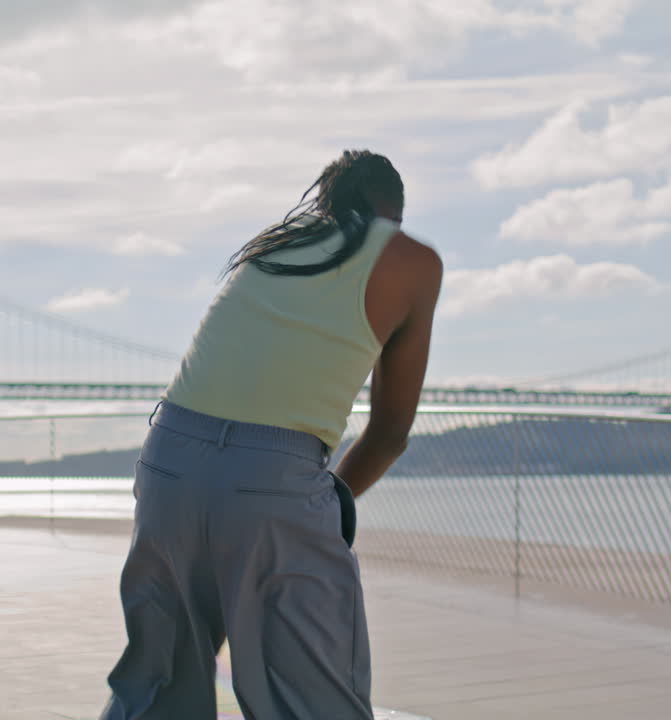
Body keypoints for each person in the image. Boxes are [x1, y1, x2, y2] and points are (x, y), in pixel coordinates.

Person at [100, 149, 443, 719]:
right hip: (272, 479)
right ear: (394, 213)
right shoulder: (412, 260)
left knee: (158, 685)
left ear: (324, 203)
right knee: (312, 697)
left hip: (167, 461)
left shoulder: (271, 248)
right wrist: (327, 503)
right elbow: (388, 432)